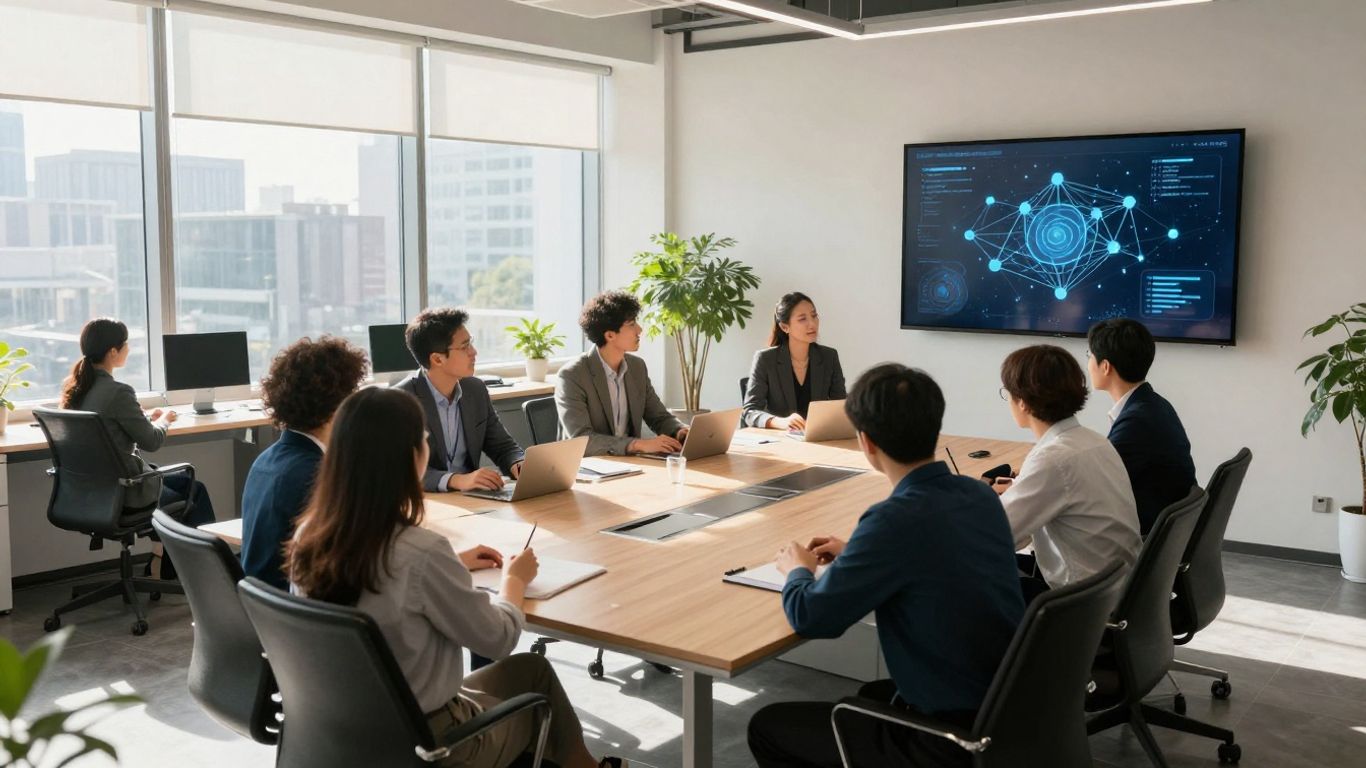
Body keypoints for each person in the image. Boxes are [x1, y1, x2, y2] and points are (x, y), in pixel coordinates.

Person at [286, 388, 626, 768]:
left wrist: (453, 564)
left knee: (532, 671)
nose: (427, 444)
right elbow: (497, 638)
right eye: (423, 439)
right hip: (436, 741)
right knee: (538, 700)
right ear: (410, 457)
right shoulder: (421, 551)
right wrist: (513, 581)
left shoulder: (309, 538)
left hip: (345, 731)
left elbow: (386, 582)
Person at [748, 364, 1025, 768]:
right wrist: (859, 553)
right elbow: (933, 555)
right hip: (1006, 708)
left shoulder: (892, 520)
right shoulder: (978, 495)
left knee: (767, 727)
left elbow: (811, 617)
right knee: (869, 697)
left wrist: (797, 570)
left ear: (866, 442)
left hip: (948, 738)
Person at [61, 318, 215, 579]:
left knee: (182, 484)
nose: (129, 349)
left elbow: (108, 426)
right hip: (126, 492)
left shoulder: (75, 389)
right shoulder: (118, 392)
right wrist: (164, 420)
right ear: (113, 352)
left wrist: (143, 418)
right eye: (126, 344)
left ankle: (164, 561)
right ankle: (204, 571)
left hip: (91, 493)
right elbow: (152, 442)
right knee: (194, 489)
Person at [994, 344, 1141, 602]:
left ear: (1023, 402)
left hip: (1081, 603)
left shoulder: (1052, 459)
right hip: (1118, 588)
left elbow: (997, 535)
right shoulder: (1095, 441)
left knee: (961, 567)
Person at [240, 336, 368, 589]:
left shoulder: (266, 459)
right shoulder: (317, 475)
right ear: (338, 405)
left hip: (262, 600)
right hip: (296, 605)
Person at [395, 308, 525, 494]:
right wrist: (456, 480)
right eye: (465, 347)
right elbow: (403, 470)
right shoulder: (401, 401)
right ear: (437, 359)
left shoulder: (475, 389)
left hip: (472, 498)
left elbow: (503, 446)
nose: (474, 352)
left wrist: (519, 464)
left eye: (471, 343)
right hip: (428, 501)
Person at [1087, 318, 1197, 535]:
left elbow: (1095, 484)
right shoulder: (1154, 404)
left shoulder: (1137, 421)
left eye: (1089, 356)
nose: (1088, 364)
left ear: (1105, 366)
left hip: (1142, 537)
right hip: (1167, 534)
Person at [555, 291, 688, 457]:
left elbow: (658, 417)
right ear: (610, 335)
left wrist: (680, 431)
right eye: (631, 324)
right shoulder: (572, 375)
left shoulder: (637, 367)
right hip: (588, 465)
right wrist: (636, 444)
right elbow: (581, 440)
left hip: (630, 463)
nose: (639, 330)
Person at [742, 292, 846, 431]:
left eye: (814, 316)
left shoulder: (829, 356)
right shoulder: (765, 359)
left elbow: (840, 406)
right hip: (780, 439)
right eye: (802, 319)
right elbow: (750, 411)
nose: (812, 324)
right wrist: (779, 422)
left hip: (818, 437)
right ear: (785, 327)